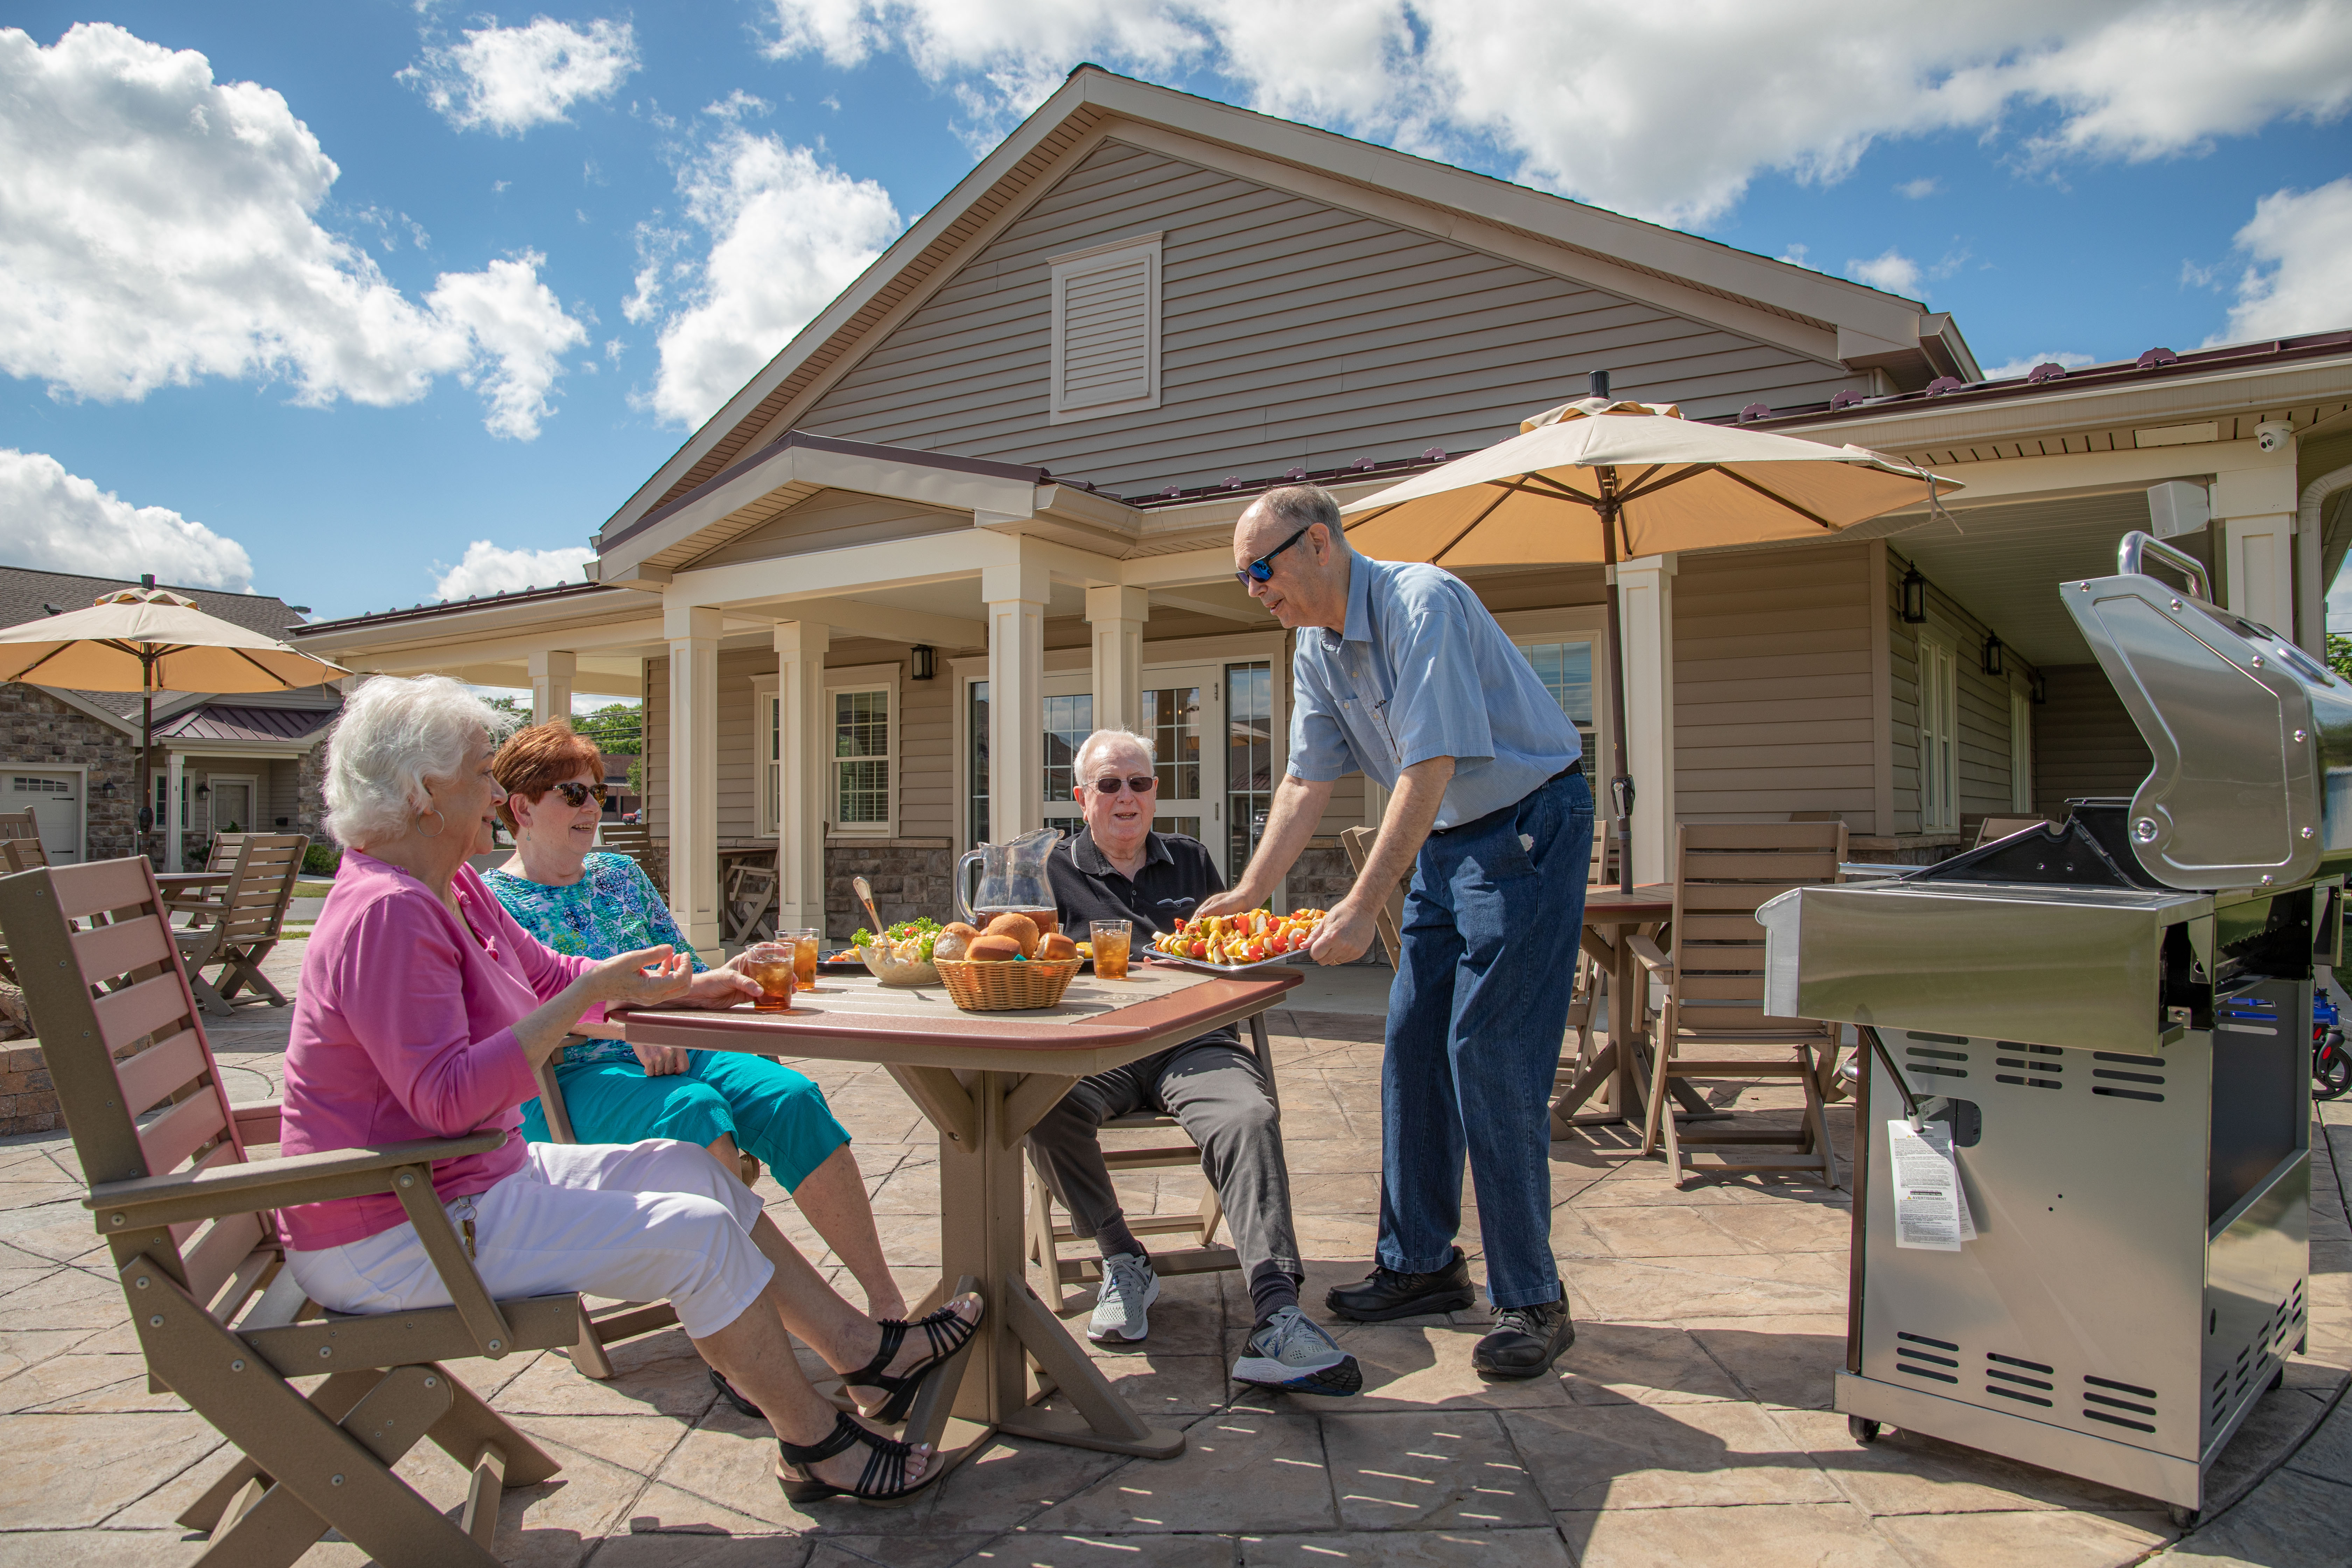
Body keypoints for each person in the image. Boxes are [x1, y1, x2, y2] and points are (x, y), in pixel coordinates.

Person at [280, 675, 980, 1505]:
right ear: (421, 793)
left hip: (456, 1189)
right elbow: (445, 1098)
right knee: (695, 1234)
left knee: (698, 1177)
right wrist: (587, 1003)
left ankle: (864, 1347)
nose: (494, 791)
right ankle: (814, 1441)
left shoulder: (449, 888)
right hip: (396, 1229)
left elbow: (553, 972)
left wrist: (679, 987)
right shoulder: (386, 912)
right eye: (480, 773)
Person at [1198, 484, 1593, 1381]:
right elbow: (1307, 776)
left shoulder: (1425, 602)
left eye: (1262, 568)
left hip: (1528, 822)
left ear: (1321, 544)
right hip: (1449, 837)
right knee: (1413, 1046)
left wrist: (1356, 901)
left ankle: (1532, 1296)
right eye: (1243, 577)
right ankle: (1421, 1264)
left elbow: (1430, 763)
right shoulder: (1314, 645)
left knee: (1487, 1051)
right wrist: (1254, 887)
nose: (1255, 588)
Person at [484, 720, 905, 1323]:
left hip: (672, 1047)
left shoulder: (620, 877)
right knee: (695, 1108)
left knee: (790, 1095)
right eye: (571, 794)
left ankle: (886, 1306)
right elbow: (521, 1021)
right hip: (570, 1076)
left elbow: (682, 969)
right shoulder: (494, 901)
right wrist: (634, 1027)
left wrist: (729, 973)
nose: (592, 807)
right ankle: (745, 1329)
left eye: (597, 792)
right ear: (522, 808)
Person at [1028, 727, 1359, 1397]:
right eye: (1110, 785)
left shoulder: (1190, 859)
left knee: (1248, 1113)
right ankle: (1123, 1257)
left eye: (1141, 784)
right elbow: (1023, 962)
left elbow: (1226, 950)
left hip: (1192, 1043)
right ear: (1080, 798)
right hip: (1098, 1047)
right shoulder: (1051, 869)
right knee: (1032, 1105)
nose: (1128, 798)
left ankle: (1277, 1310)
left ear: (1155, 792)